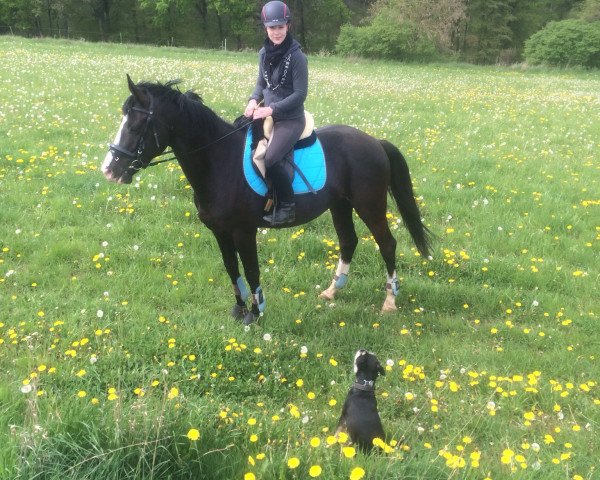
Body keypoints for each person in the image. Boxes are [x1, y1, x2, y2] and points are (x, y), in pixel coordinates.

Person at [244, 1, 308, 226]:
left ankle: (287, 206)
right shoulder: (263, 53)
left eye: (281, 26)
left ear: (288, 26)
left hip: (290, 119)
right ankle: (263, 194)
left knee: (270, 158)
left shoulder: (298, 57)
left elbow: (300, 95)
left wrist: (271, 109)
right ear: (265, 29)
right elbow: (261, 83)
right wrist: (253, 101)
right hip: (267, 114)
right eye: (272, 27)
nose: (277, 31)